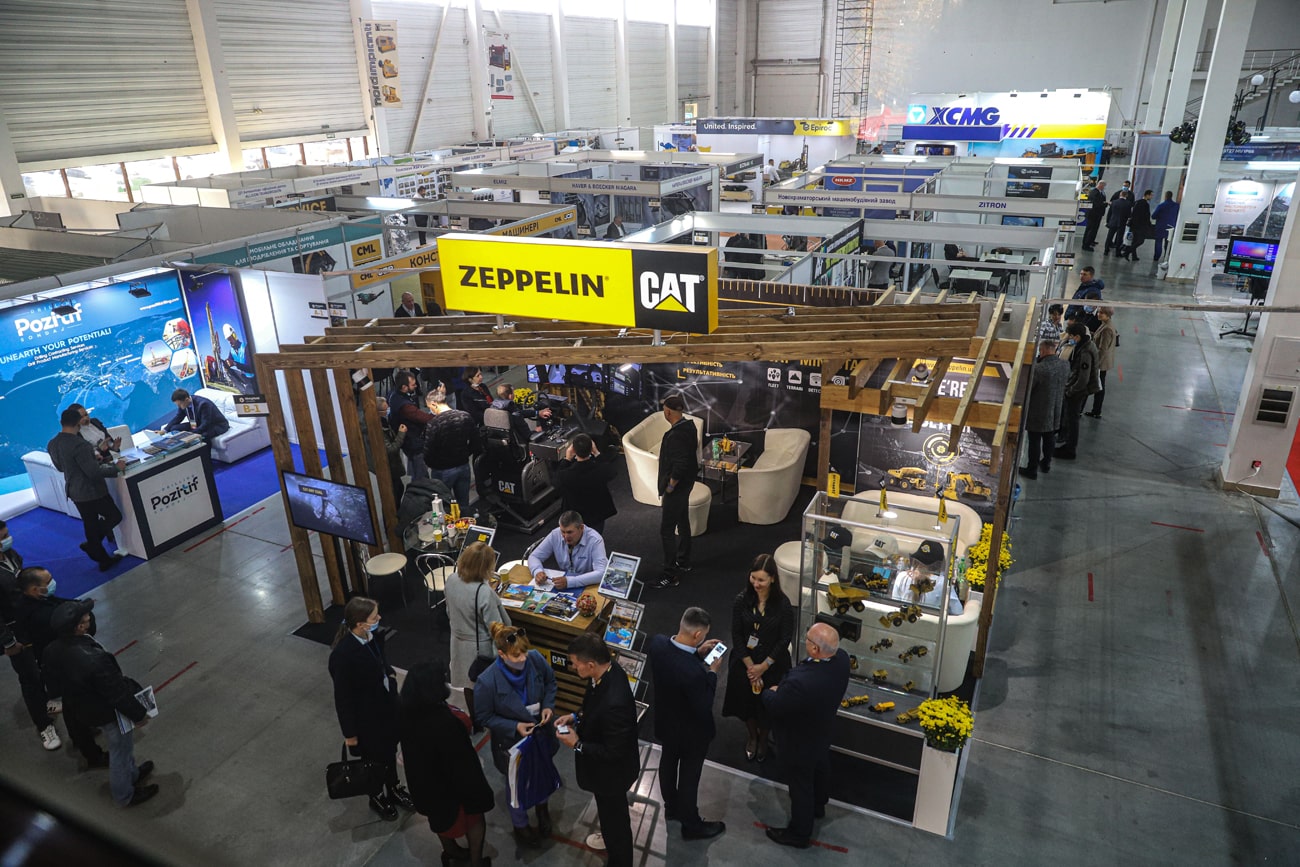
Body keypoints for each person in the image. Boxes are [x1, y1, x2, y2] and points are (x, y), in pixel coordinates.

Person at [45, 600, 157, 807]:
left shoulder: (52, 649)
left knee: (122, 749)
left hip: (84, 708)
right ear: (79, 626)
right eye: (86, 617)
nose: (89, 617)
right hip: (107, 712)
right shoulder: (94, 660)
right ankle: (125, 794)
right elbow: (116, 693)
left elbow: (54, 684)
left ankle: (132, 774)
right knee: (120, 751)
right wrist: (139, 715)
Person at [760, 622, 850, 849]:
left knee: (800, 786)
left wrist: (769, 693)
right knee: (820, 768)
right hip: (822, 731)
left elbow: (778, 706)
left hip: (798, 740)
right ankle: (818, 806)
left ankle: (799, 834)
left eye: (807, 640)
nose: (805, 642)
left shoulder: (800, 682)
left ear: (815, 649)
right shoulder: (842, 660)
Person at [554, 633, 640, 867]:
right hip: (605, 773)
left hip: (612, 776)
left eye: (575, 663)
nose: (573, 667)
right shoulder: (607, 672)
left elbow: (614, 752)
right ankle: (610, 840)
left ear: (591, 664)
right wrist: (575, 717)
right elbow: (592, 704)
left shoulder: (615, 702)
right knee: (609, 815)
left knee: (616, 823)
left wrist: (577, 744)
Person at [399, 659, 495, 867]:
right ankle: (476, 862)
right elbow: (463, 764)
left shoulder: (407, 715)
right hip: (455, 791)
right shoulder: (446, 723)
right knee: (475, 820)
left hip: (428, 790)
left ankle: (451, 852)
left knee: (440, 823)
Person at [327, 596, 414, 822]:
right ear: (360, 624)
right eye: (374, 617)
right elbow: (343, 698)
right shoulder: (343, 656)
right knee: (374, 761)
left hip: (387, 710)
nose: (379, 619)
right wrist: (350, 735)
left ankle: (393, 787)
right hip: (367, 720)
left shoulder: (372, 637)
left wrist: (391, 676)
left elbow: (381, 661)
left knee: (389, 752)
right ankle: (376, 795)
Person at [473, 623, 559, 846]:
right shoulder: (487, 682)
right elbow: (483, 717)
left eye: (524, 652)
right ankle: (520, 825)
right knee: (516, 786)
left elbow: (550, 682)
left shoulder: (535, 659)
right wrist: (514, 726)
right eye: (516, 655)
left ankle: (542, 810)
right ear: (501, 654)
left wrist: (548, 706)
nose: (523, 659)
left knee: (542, 774)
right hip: (512, 745)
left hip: (540, 736)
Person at [646, 607, 726, 841]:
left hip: (666, 723)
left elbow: (676, 662)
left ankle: (671, 808)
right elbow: (704, 703)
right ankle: (691, 824)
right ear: (698, 634)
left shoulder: (658, 644)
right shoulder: (694, 673)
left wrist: (697, 653)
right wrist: (712, 672)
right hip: (692, 733)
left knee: (668, 763)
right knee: (689, 777)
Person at [721, 553, 794, 763]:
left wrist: (764, 666)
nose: (756, 584)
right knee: (746, 704)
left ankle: (763, 739)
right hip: (745, 663)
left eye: (761, 580)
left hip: (773, 664)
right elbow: (736, 634)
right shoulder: (741, 600)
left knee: (767, 707)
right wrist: (751, 667)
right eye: (753, 578)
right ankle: (752, 737)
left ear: (772, 579)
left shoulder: (783, 604)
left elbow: (785, 638)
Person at [0, 525, 65, 753]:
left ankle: (48, 700)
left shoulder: (11, 555)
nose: (8, 539)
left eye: (7, 534)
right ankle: (44, 725)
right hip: (14, 634)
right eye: (3, 537)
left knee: (43, 666)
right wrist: (8, 642)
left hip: (31, 623)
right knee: (29, 678)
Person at [47, 408, 127, 571]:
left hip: (74, 490)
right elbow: (93, 472)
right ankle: (93, 545)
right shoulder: (80, 444)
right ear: (78, 423)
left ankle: (102, 558)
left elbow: (61, 467)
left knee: (90, 523)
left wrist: (91, 459)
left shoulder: (53, 444)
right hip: (91, 491)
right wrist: (116, 468)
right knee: (113, 516)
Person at [444, 541, 510, 691]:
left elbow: (449, 611)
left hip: (457, 644)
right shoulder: (484, 592)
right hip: (480, 650)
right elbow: (497, 630)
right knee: (483, 689)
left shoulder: (452, 579)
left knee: (467, 685)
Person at [652, 394, 697, 590]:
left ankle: (670, 574)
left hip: (677, 488)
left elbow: (680, 465)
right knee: (683, 520)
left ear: (668, 412)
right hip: (687, 484)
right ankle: (684, 561)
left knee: (667, 530)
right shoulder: (690, 426)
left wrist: (670, 486)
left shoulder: (676, 435)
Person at [422, 382, 482, 508]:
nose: (431, 410)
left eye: (430, 407)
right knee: (464, 504)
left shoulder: (434, 423)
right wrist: (465, 454)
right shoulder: (465, 416)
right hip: (463, 466)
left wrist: (435, 465)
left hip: (442, 471)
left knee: (444, 507)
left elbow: (428, 452)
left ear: (434, 404)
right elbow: (476, 441)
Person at [1020, 339, 1069, 480]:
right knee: (1049, 437)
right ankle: (1046, 463)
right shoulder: (1065, 365)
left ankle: (1032, 469)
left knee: (1034, 440)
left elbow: (1028, 388)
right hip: (1056, 409)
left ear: (1042, 351)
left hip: (1038, 411)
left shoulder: (1039, 369)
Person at [526, 511, 608, 591]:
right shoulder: (555, 534)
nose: (565, 536)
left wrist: (571, 582)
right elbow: (534, 556)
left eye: (569, 532)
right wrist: (537, 571)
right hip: (562, 583)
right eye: (563, 532)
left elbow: (602, 573)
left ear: (581, 528)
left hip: (587, 584)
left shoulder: (595, 540)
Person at [554, 435, 617, 536]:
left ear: (573, 450)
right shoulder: (601, 470)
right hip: (597, 513)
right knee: (595, 538)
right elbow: (611, 471)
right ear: (591, 448)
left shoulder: (566, 475)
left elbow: (556, 481)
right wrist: (597, 453)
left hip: (575, 517)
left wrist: (567, 459)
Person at [1056, 320, 1100, 461]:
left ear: (1077, 336)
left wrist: (1070, 391)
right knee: (1071, 419)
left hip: (1077, 392)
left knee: (1072, 420)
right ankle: (1068, 445)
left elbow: (1083, 378)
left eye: (1071, 336)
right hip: (1076, 389)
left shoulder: (1085, 352)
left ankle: (1070, 449)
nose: (1070, 339)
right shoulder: (1086, 345)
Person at [387, 369, 434, 481]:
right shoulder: (406, 407)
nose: (416, 386)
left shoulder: (393, 395)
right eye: (413, 385)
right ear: (404, 387)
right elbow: (424, 418)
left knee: (415, 472)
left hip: (408, 441)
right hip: (413, 443)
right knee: (421, 475)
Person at [370, 396, 407, 504]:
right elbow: (391, 449)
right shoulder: (378, 430)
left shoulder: (383, 422)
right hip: (386, 466)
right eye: (385, 410)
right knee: (393, 494)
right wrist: (401, 434)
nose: (387, 412)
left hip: (391, 465)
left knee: (399, 488)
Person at [162, 388, 229, 441]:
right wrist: (164, 430)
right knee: (174, 428)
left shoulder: (203, 404)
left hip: (215, 425)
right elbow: (178, 417)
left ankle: (203, 453)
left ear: (186, 399)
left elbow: (205, 424)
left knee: (203, 435)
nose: (179, 407)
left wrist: (191, 434)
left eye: (179, 404)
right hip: (196, 423)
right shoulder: (184, 404)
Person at [1086, 307, 1117, 419]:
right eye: (1099, 312)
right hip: (1103, 361)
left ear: (1108, 315)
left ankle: (1097, 410)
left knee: (1099, 386)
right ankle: (1096, 410)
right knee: (1100, 384)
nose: (1098, 314)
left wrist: (1095, 363)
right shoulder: (1105, 324)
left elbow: (1102, 349)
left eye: (1101, 313)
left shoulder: (1107, 329)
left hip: (1101, 362)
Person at [1124, 190, 1154, 261]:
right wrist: (1149, 225)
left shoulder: (1137, 202)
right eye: (1151, 195)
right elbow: (1146, 216)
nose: (1152, 197)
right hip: (1140, 226)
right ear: (1147, 195)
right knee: (1140, 241)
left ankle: (1134, 256)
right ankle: (1127, 252)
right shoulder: (1145, 204)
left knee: (1135, 240)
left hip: (1134, 225)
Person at [1152, 191, 1180, 260]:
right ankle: (1167, 256)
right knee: (1168, 242)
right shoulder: (1177, 206)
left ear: (1165, 196)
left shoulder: (1161, 205)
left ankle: (1157, 257)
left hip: (1160, 226)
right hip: (1171, 226)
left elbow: (1153, 216)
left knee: (1159, 241)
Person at [1104, 190, 1132, 257]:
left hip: (1113, 221)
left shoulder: (1114, 202)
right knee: (1119, 238)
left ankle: (1106, 250)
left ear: (1120, 195)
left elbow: (1110, 213)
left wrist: (1108, 221)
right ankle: (1117, 252)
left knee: (1109, 236)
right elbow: (1129, 214)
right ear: (1126, 195)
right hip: (1122, 223)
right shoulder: (1128, 203)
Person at [1081, 180, 1107, 251]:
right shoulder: (1094, 192)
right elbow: (1096, 204)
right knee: (1090, 230)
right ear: (1101, 185)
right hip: (1093, 214)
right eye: (1104, 186)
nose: (1104, 187)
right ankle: (1086, 245)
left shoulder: (1099, 192)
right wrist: (1105, 204)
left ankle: (1091, 241)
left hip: (1097, 214)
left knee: (1094, 229)